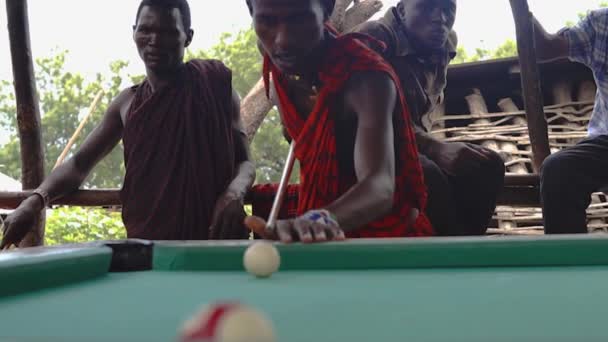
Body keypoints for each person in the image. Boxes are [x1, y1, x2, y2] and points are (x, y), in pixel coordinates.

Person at [1, 0, 255, 248]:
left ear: (187, 37)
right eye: (146, 30)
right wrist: (34, 201)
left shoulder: (214, 85)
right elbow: (79, 164)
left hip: (215, 238)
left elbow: (245, 162)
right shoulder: (127, 104)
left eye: (168, 32)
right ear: (134, 33)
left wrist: (234, 193)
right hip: (148, 245)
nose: (155, 40)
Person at [244, 0, 433, 243]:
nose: (283, 40)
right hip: (317, 241)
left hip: (385, 242)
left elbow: (379, 187)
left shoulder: (367, 78)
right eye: (267, 21)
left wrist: (321, 219)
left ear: (327, 11)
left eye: (299, 19)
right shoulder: (275, 56)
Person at [353, 0, 505, 236]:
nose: (440, 18)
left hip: (413, 146)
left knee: (487, 165)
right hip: (365, 149)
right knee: (428, 176)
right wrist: (433, 149)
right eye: (428, 7)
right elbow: (356, 119)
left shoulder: (446, 43)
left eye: (448, 9)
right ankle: (450, 258)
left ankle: (463, 248)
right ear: (402, 11)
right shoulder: (373, 39)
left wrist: (429, 148)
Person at [533, 9, 608, 234]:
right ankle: (566, 263)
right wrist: (521, 11)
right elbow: (544, 48)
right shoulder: (602, 23)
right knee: (559, 169)